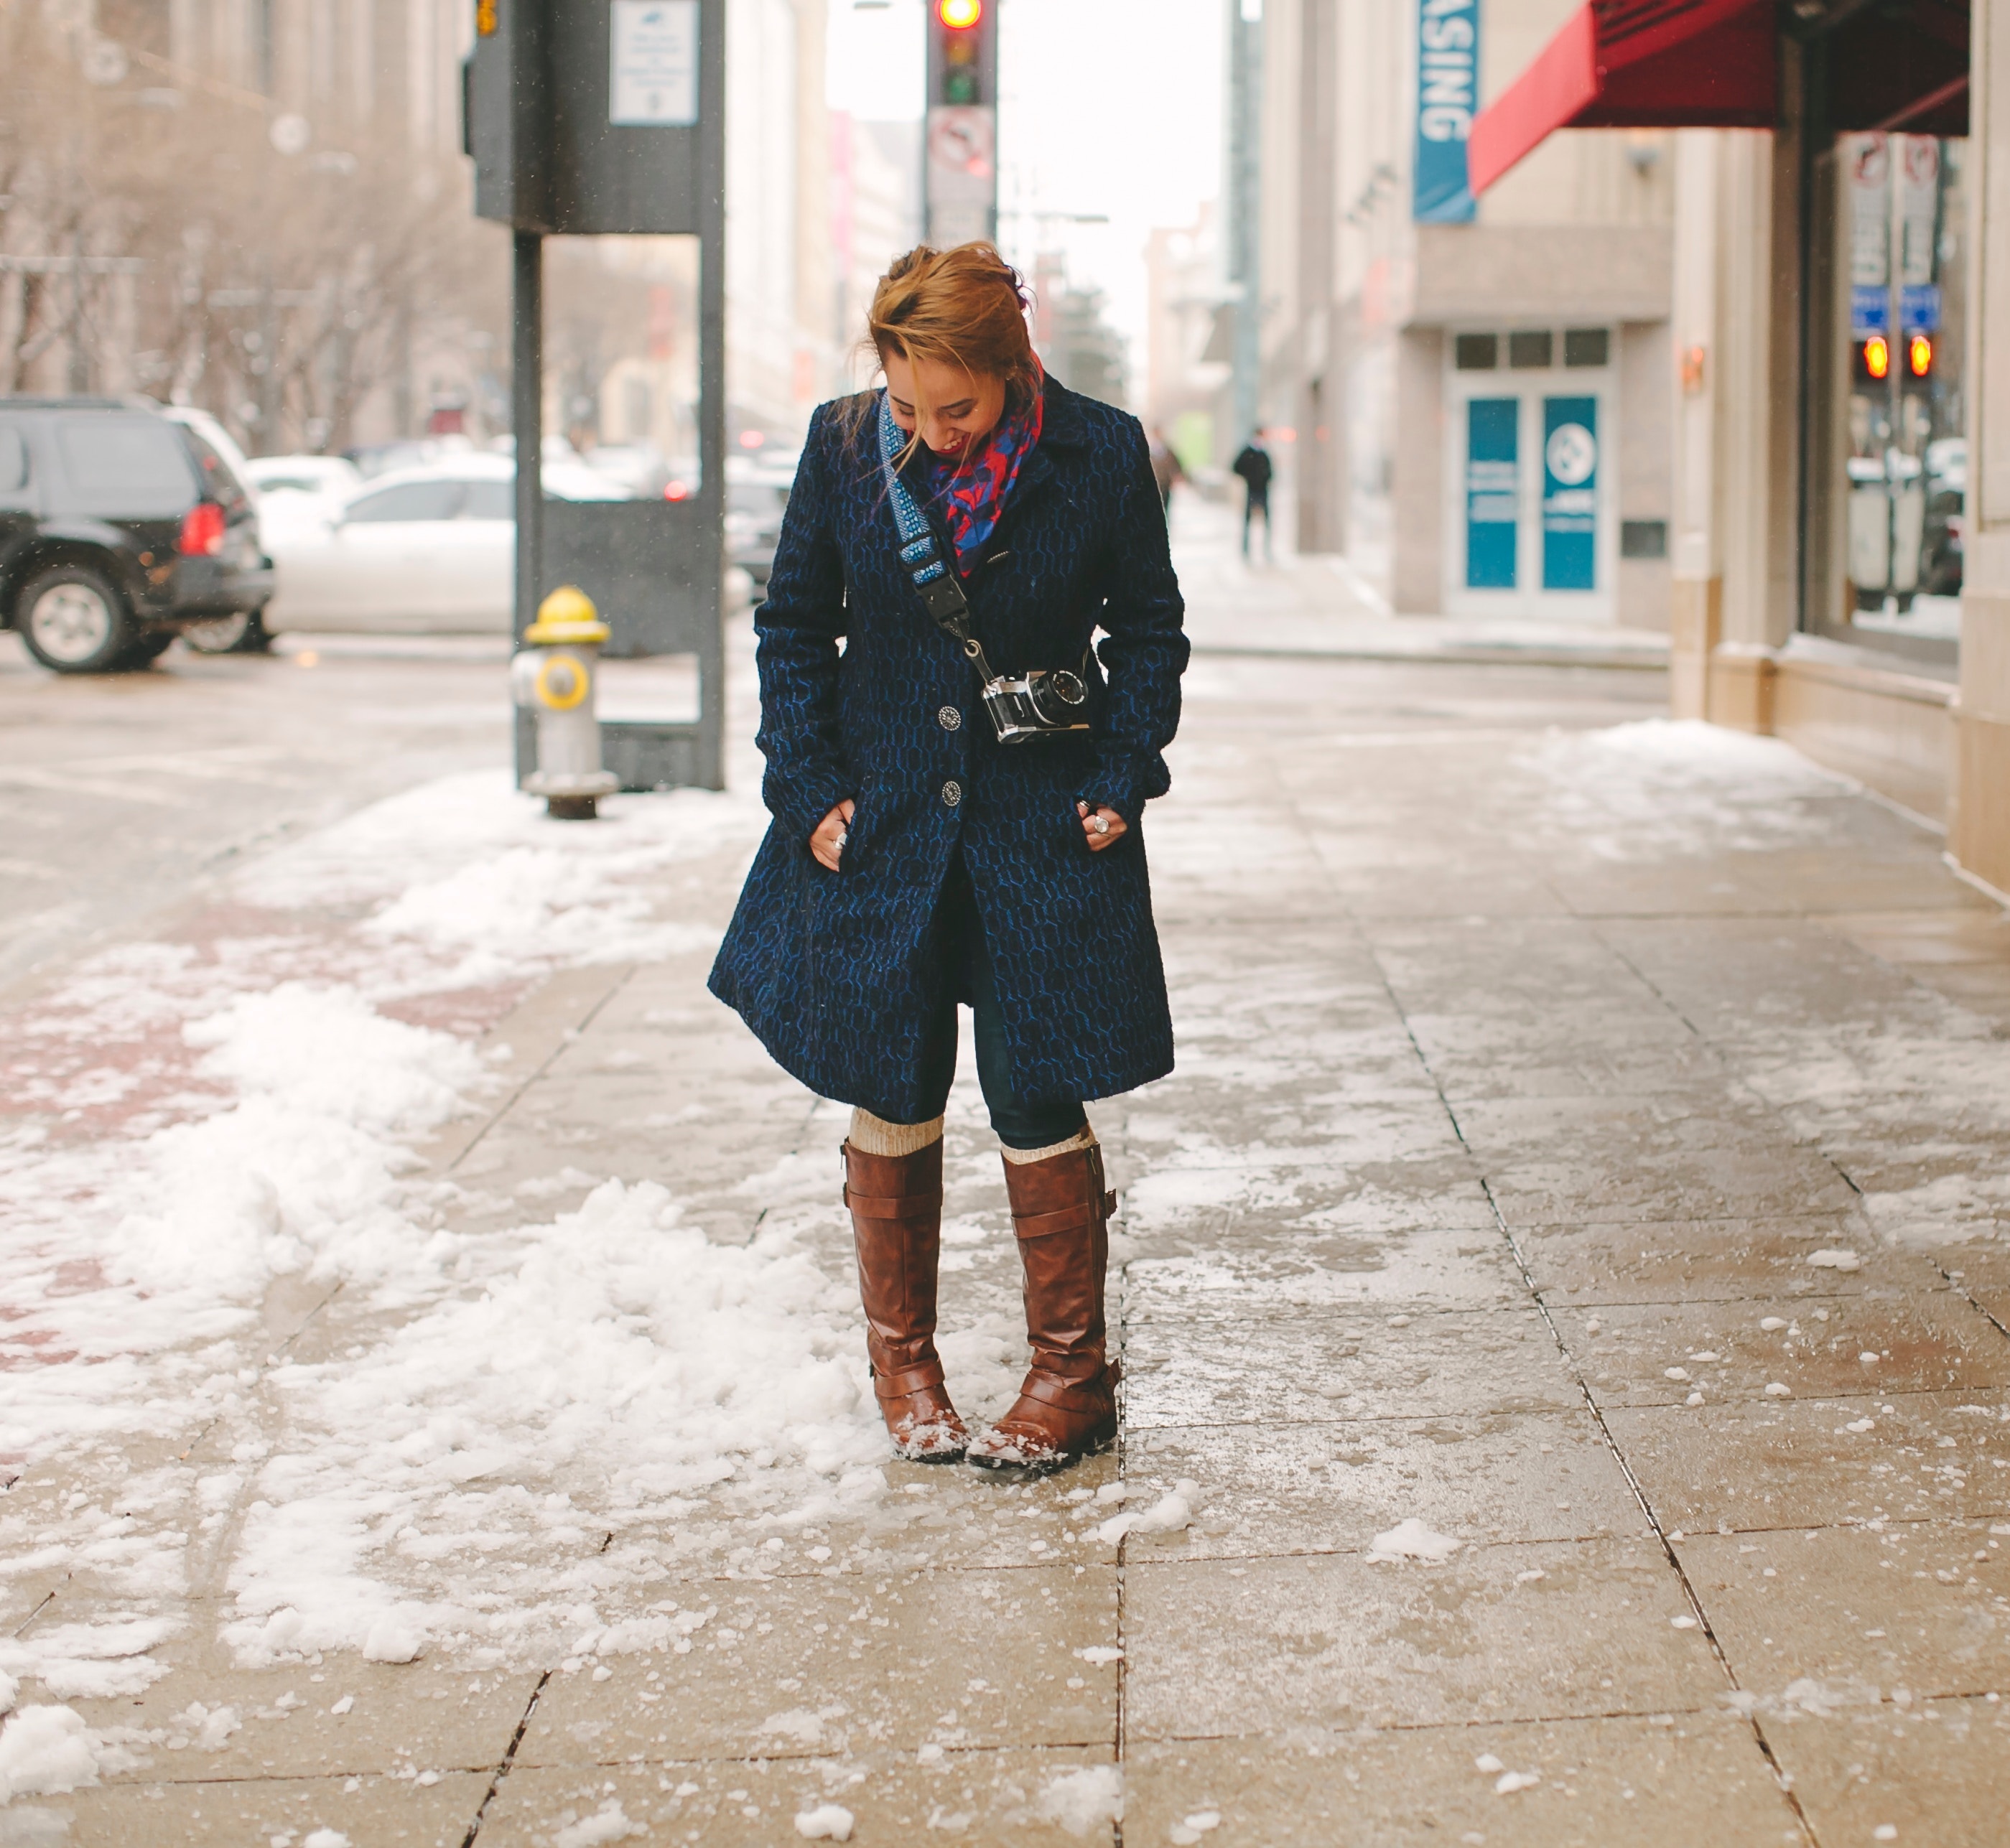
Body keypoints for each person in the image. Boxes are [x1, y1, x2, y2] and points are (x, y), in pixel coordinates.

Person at [709, 243, 1188, 1474]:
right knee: (896, 1074)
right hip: (880, 819)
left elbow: (1146, 628)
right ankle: (901, 1357)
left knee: (1034, 1083)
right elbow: (791, 627)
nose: (926, 431)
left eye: (956, 408)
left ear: (1014, 366)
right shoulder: (838, 445)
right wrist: (805, 783)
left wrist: (1118, 769)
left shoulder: (1099, 452)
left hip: (1039, 819)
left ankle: (1070, 1375)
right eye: (905, 404)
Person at [1232, 428, 1273, 562]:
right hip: (1252, 490)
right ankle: (1246, 551)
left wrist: (1267, 479)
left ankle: (1266, 550)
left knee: (1266, 522)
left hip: (1262, 490)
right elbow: (1236, 467)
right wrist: (1249, 477)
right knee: (1248, 522)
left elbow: (1269, 470)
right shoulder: (1247, 452)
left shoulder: (1264, 452)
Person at [1148, 426, 1186, 522]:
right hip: (1153, 483)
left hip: (1165, 483)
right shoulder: (1149, 449)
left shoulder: (1167, 449)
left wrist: (1178, 476)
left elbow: (1176, 463)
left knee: (1166, 506)